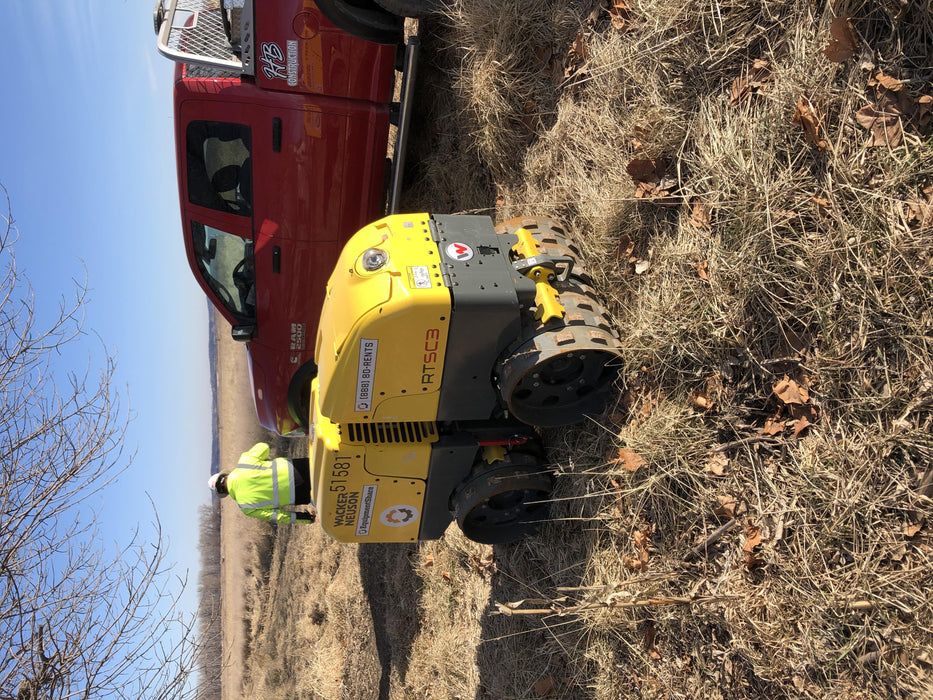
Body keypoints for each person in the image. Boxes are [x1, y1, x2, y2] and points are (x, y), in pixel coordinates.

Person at [208, 442, 316, 524]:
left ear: (225, 493)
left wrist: (305, 518)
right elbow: (264, 447)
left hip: (300, 494)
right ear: (224, 475)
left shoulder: (246, 507)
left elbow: (277, 516)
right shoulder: (244, 462)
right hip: (297, 468)